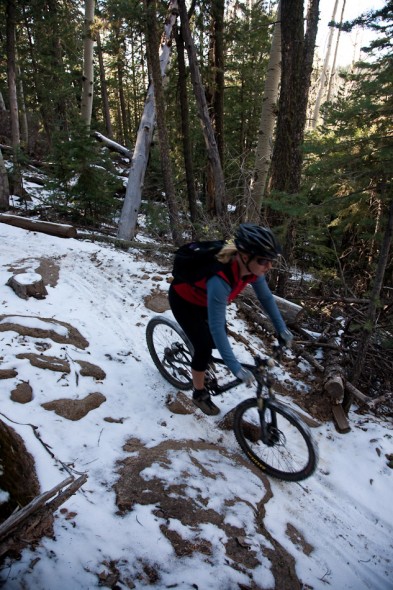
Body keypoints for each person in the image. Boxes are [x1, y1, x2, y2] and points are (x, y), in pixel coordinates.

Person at [168, 224, 293, 416]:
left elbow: (266, 298)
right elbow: (217, 327)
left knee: (217, 342)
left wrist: (281, 329)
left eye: (271, 261)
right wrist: (236, 368)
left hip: (205, 302)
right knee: (204, 347)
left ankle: (200, 359)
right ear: (244, 255)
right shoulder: (220, 279)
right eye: (263, 260)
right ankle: (199, 393)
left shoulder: (252, 271)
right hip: (184, 300)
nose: (268, 266)